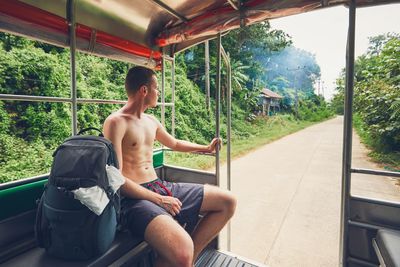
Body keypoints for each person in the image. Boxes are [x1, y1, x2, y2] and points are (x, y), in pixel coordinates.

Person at [103, 66, 236, 267]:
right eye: (156, 88)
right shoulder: (116, 122)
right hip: (133, 199)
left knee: (227, 202)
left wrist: (206, 148)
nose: (159, 93)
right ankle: (183, 260)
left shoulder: (151, 121)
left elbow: (174, 143)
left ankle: (189, 262)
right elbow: (117, 179)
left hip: (158, 185)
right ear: (144, 90)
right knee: (181, 252)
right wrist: (159, 199)